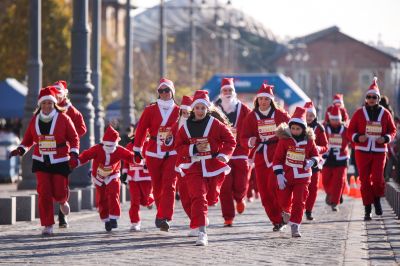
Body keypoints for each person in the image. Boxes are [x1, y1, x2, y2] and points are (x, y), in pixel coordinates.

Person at [9, 86, 80, 236]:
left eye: (49, 103)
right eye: (44, 103)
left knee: (59, 191)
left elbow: (74, 138)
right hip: (41, 160)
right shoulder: (35, 119)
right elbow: (28, 139)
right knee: (44, 192)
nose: (47, 106)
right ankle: (47, 225)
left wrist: (74, 154)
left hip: (60, 159)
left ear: (54, 103)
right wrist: (20, 149)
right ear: (40, 105)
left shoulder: (63, 118)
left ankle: (62, 200)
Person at [175, 90, 236, 246]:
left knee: (210, 198)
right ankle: (202, 232)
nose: (200, 111)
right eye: (197, 108)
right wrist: (192, 149)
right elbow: (178, 146)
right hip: (194, 166)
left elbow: (231, 142)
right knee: (198, 196)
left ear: (207, 109)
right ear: (193, 109)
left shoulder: (215, 124)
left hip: (212, 165)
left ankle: (200, 220)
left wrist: (223, 155)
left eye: (203, 108)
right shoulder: (185, 127)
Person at [241, 82, 290, 231]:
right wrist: (250, 141)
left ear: (271, 101)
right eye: (261, 99)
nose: (263, 102)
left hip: (277, 153)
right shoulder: (251, 116)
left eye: (267, 99)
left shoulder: (280, 114)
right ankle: (276, 220)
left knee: (276, 185)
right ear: (257, 100)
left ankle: (285, 211)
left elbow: (293, 131)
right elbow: (243, 137)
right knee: (264, 190)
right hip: (261, 155)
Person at [133, 78, 180, 232]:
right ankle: (161, 214)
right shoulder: (150, 110)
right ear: (158, 93)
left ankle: (164, 216)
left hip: (172, 152)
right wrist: (137, 149)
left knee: (169, 185)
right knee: (158, 186)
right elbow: (141, 130)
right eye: (161, 90)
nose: (164, 93)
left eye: (167, 90)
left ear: (172, 92)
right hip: (153, 151)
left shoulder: (179, 111)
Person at [347, 77, 396, 220]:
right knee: (364, 180)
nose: (371, 99)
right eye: (369, 97)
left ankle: (377, 199)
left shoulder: (385, 113)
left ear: (378, 98)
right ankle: (367, 209)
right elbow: (350, 131)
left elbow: (392, 131)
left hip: (379, 151)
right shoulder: (359, 113)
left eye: (374, 97)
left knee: (377, 178)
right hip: (362, 151)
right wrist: (357, 137)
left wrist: (385, 138)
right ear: (366, 98)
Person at [71, 125, 137, 232]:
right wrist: (77, 161)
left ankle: (113, 217)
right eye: (108, 146)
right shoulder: (97, 149)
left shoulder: (119, 150)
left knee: (114, 193)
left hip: (113, 175)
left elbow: (129, 156)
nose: (110, 148)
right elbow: (86, 155)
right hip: (98, 176)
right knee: (101, 199)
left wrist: (136, 158)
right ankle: (106, 219)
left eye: (112, 146)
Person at [273, 107, 319, 237]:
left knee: (299, 201)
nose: (295, 131)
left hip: (303, 177)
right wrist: (279, 175)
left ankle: (295, 225)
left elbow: (316, 154)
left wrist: (312, 161)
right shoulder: (284, 141)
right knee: (283, 200)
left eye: (298, 129)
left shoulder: (309, 141)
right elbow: (277, 159)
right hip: (287, 176)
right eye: (292, 128)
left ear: (303, 129)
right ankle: (286, 213)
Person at [215, 78, 252, 227]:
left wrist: (250, 140)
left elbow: (253, 123)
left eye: (230, 90)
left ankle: (240, 198)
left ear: (234, 92)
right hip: (223, 152)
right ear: (221, 93)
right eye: (225, 90)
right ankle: (228, 217)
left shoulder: (243, 109)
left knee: (241, 182)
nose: (228, 93)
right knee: (225, 186)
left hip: (241, 150)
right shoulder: (215, 109)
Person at [52, 80, 87, 228]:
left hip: (65, 153)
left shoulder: (71, 110)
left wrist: (70, 139)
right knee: (48, 184)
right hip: (47, 152)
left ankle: (61, 216)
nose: (56, 97)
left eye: (58, 94)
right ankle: (48, 218)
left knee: (62, 183)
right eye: (54, 94)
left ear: (64, 94)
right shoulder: (48, 107)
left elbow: (82, 128)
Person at [164, 95, 197, 236]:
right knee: (184, 196)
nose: (186, 115)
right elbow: (168, 143)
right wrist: (167, 141)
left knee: (196, 194)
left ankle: (198, 221)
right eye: (183, 112)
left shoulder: (198, 124)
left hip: (197, 163)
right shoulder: (176, 125)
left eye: (188, 112)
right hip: (180, 164)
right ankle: (194, 221)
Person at [122, 130, 154, 232]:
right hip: (133, 177)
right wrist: (124, 173)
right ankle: (135, 222)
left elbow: (153, 158)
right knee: (134, 200)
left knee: (145, 200)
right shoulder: (129, 145)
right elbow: (126, 160)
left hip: (146, 176)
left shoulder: (149, 144)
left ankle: (150, 200)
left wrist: (147, 164)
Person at [303, 101, 328, 220]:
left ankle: (308, 210)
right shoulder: (295, 125)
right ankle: (298, 208)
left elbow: (325, 146)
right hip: (298, 162)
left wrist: (318, 148)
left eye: (311, 115)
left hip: (314, 163)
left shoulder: (319, 128)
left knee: (313, 188)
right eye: (307, 115)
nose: (309, 118)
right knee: (300, 187)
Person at [321, 105, 349, 211]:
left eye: (337, 119)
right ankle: (330, 193)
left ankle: (335, 203)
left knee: (339, 181)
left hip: (341, 158)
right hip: (327, 158)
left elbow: (351, 140)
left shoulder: (345, 129)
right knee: (325, 180)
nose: (335, 121)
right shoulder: (324, 128)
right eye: (333, 119)